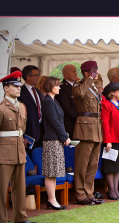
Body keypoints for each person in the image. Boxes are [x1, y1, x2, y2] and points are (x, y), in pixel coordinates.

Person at [0, 71, 38, 223]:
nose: (18, 89)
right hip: (4, 152)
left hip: (19, 151)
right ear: (6, 88)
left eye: (19, 86)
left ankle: (20, 217)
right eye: (15, 86)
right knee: (2, 189)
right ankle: (2, 220)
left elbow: (21, 130)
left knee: (19, 187)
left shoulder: (22, 107)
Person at [72, 60, 104, 205]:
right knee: (82, 164)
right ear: (86, 73)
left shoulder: (95, 87)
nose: (96, 73)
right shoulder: (79, 86)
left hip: (96, 128)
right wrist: (89, 80)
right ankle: (80, 194)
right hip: (84, 128)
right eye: (93, 71)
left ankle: (89, 193)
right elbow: (79, 95)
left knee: (93, 164)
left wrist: (92, 81)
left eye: (96, 71)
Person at [41, 76, 71, 210]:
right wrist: (64, 136)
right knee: (51, 171)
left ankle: (52, 199)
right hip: (51, 140)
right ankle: (52, 200)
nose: (59, 87)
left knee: (53, 171)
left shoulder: (54, 101)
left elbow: (59, 121)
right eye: (57, 85)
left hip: (56, 139)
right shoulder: (48, 101)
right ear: (50, 86)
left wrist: (64, 136)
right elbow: (54, 122)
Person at [101, 82, 119, 200]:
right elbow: (105, 124)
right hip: (111, 139)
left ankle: (116, 190)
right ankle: (111, 190)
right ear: (112, 93)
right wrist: (107, 141)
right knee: (110, 165)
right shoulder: (106, 105)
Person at [18, 65, 44, 149]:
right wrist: (22, 135)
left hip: (41, 131)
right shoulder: (20, 92)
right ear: (28, 77)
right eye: (36, 75)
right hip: (28, 133)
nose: (38, 77)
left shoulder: (38, 92)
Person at [55, 64, 80, 139]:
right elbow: (67, 108)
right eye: (73, 72)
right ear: (66, 74)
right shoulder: (62, 88)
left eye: (76, 71)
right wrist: (80, 117)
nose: (76, 73)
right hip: (70, 125)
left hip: (79, 124)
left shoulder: (77, 86)